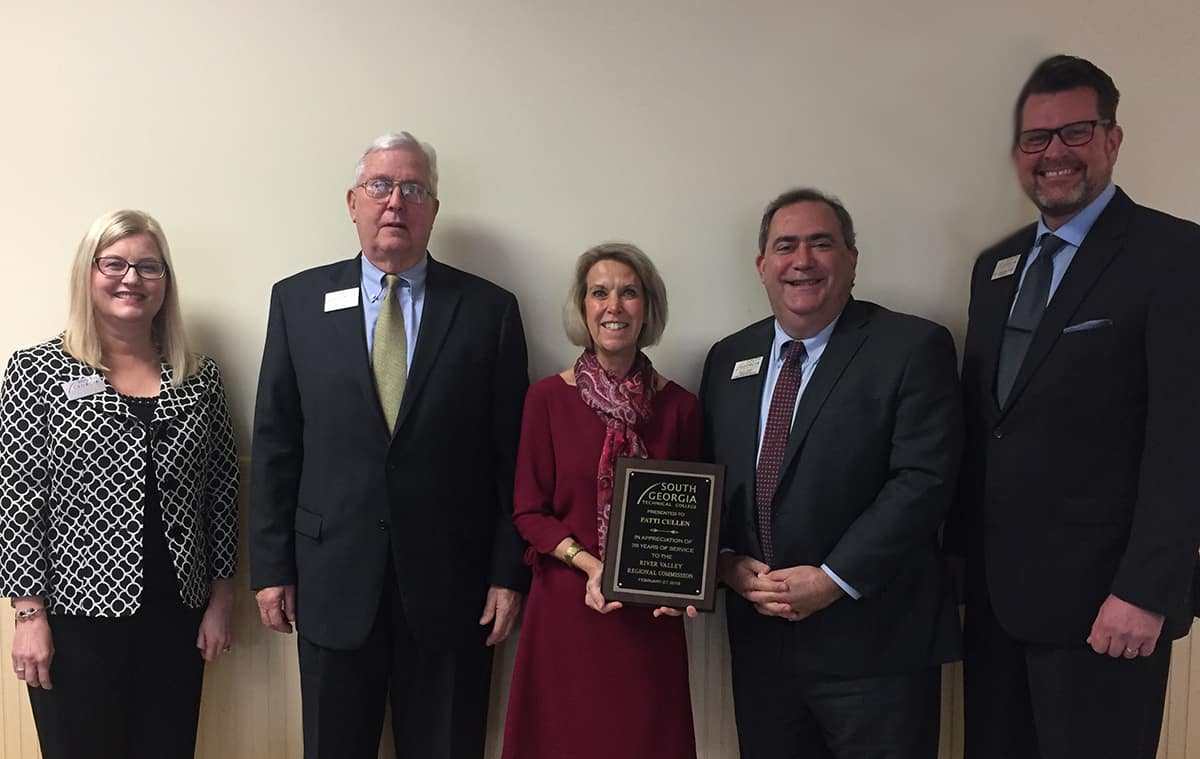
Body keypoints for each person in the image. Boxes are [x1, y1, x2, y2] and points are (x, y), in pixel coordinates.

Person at [248, 131, 529, 759]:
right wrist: (271, 569)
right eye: (380, 186)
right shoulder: (295, 302)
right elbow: (275, 444)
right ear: (353, 202)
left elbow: (512, 457)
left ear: (434, 207)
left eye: (413, 188)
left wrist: (508, 574)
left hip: (453, 590)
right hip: (329, 582)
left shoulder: (489, 311)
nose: (395, 201)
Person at [952, 54, 1200, 759]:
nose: (1054, 153)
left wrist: (1148, 590)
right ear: (1017, 154)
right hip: (998, 608)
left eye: (1076, 132)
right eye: (1037, 138)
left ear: (1112, 140)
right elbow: (989, 424)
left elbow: (1185, 439)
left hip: (1107, 608)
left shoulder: (1176, 255)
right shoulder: (994, 268)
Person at [701, 188, 962, 759]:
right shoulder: (727, 359)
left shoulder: (912, 347)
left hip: (876, 649)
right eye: (785, 246)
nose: (802, 261)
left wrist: (832, 578)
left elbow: (923, 482)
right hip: (763, 648)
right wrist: (722, 562)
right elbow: (711, 480)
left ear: (851, 257)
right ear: (761, 265)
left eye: (821, 244)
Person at [0, 209, 239, 759]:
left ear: (165, 283)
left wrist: (221, 599)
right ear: (88, 274)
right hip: (74, 622)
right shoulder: (37, 371)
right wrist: (29, 615)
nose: (131, 278)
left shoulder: (196, 377)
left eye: (148, 267)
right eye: (114, 263)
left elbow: (222, 489)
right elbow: (18, 497)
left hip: (177, 619)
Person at [501, 242, 699, 759]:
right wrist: (592, 566)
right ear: (583, 307)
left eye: (629, 292)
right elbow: (528, 510)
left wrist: (684, 582)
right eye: (600, 292)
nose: (614, 305)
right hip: (567, 609)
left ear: (647, 307)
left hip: (648, 620)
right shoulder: (545, 399)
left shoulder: (680, 407)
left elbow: (693, 522)